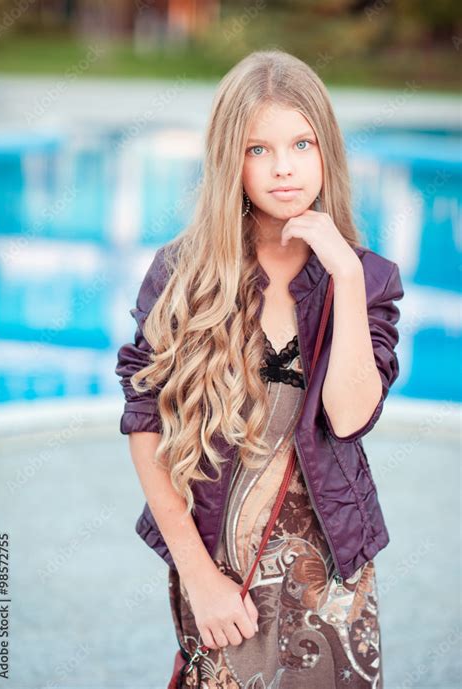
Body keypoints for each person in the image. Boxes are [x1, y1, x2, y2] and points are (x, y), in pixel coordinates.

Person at [115, 49, 404, 687]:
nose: (283, 169)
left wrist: (347, 279)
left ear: (326, 150)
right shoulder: (181, 277)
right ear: (229, 160)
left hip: (333, 574)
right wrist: (196, 574)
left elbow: (351, 417)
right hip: (223, 573)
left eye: (302, 144)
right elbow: (144, 424)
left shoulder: (366, 277)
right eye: (258, 149)